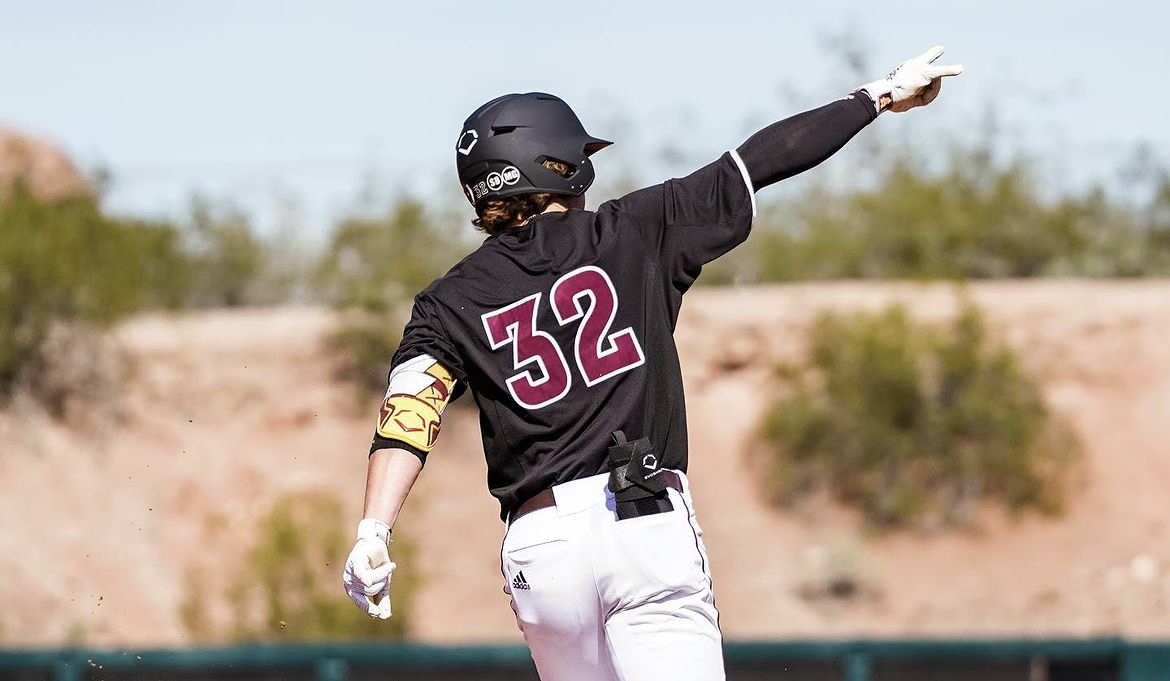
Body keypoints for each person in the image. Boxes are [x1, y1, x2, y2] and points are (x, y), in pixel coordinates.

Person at [343, 46, 962, 681]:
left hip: (540, 551)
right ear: (557, 168)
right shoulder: (633, 230)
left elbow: (408, 415)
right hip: (638, 521)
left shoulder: (448, 300)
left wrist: (373, 532)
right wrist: (877, 96)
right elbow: (764, 160)